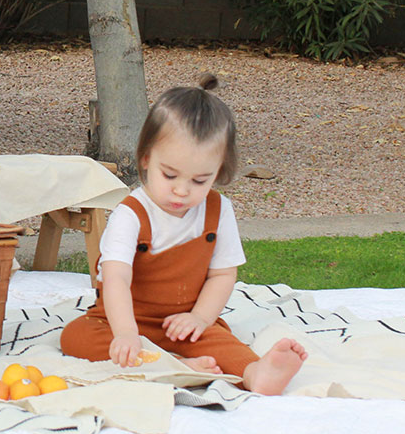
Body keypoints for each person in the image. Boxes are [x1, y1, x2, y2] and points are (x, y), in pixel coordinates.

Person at [60, 75, 307, 395]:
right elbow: (116, 278)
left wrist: (200, 318)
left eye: (199, 180)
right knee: (77, 337)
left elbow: (222, 275)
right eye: (170, 175)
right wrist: (125, 333)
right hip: (123, 320)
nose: (181, 190)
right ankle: (174, 363)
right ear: (147, 158)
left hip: (184, 322)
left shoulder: (218, 212)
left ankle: (254, 372)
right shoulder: (131, 214)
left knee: (220, 341)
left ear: (216, 174)